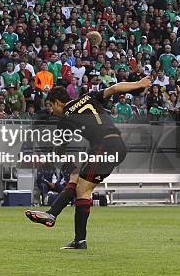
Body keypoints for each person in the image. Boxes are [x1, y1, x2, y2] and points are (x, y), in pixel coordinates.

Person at [25, 75, 152, 250]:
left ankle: (70, 232)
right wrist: (138, 84)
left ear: (56, 102)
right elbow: (114, 88)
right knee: (76, 177)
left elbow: (60, 150)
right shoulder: (88, 97)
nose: (51, 110)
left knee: (82, 190)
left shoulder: (65, 118)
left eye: (50, 106)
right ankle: (59, 222)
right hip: (115, 145)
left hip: (104, 147)